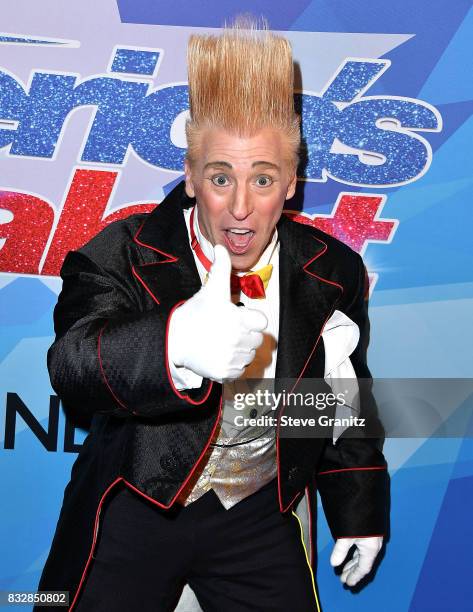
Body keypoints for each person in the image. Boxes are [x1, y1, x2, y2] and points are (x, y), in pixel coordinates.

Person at [35, 21, 389, 612]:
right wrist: (171, 343)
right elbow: (71, 363)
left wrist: (359, 510)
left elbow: (343, 399)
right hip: (134, 499)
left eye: (264, 179)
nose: (242, 206)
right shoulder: (120, 251)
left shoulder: (334, 272)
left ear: (291, 185)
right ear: (193, 178)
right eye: (221, 177)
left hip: (257, 510)